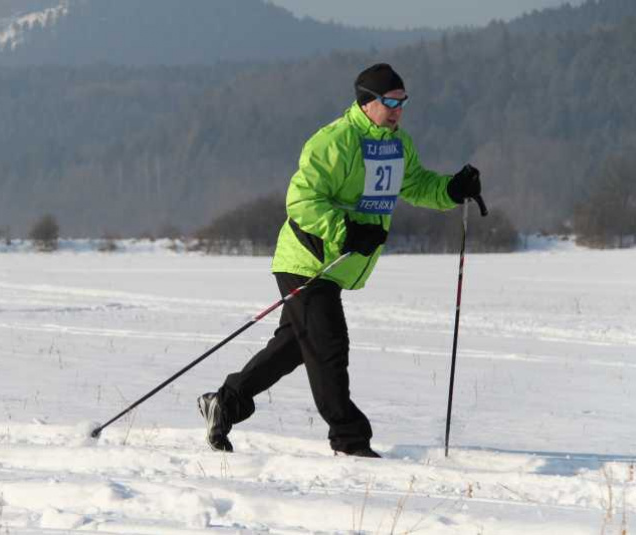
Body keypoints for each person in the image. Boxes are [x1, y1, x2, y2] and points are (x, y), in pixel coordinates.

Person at [197, 63, 482, 458]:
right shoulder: (334, 142)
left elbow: (416, 185)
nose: (398, 110)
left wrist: (452, 189)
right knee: (329, 346)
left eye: (403, 102)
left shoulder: (398, 145)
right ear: (366, 103)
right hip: (308, 261)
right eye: (390, 102)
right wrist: (346, 230)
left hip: (335, 265)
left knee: (298, 345)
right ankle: (350, 442)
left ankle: (225, 402)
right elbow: (301, 201)